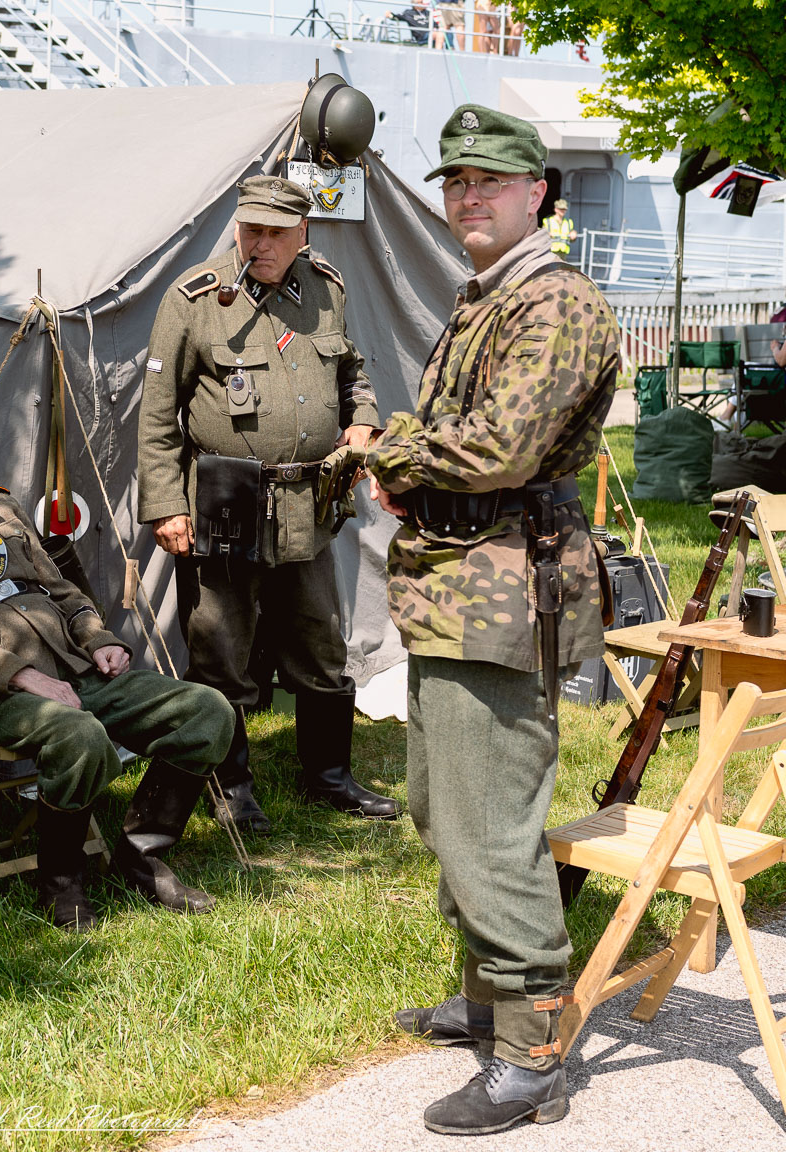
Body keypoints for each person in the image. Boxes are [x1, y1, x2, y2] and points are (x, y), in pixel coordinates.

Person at [364, 104, 620, 1135]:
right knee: (441, 804)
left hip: (501, 589)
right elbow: (454, 435)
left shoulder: (550, 304)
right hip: (454, 583)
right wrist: (412, 451)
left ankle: (531, 1055)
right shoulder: (486, 296)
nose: (467, 197)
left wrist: (388, 450)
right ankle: (485, 1000)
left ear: (535, 195)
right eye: (455, 182)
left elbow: (495, 452)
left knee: (488, 823)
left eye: (489, 182)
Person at [0, 388, 234, 932]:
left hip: (72, 671)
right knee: (78, 737)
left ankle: (141, 853)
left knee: (207, 711)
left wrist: (98, 638)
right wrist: (23, 676)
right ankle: (62, 879)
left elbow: (63, 591)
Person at [136, 174, 400, 836]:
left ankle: (330, 777)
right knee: (222, 647)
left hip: (309, 500)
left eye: (276, 234)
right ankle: (231, 786)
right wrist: (168, 505)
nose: (262, 244)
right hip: (227, 497)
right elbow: (159, 414)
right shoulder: (194, 299)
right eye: (251, 230)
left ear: (303, 234)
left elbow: (354, 375)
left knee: (318, 640)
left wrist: (363, 419)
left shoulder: (327, 290)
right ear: (237, 227)